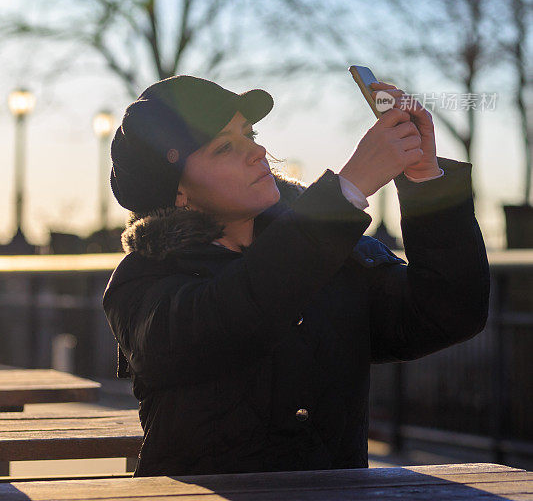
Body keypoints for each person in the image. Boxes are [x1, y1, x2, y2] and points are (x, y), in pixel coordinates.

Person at [103, 74, 489, 477]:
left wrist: (425, 179)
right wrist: (345, 194)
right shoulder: (143, 280)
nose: (258, 151)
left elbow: (448, 314)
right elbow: (233, 316)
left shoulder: (331, 253)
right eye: (223, 147)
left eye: (249, 133)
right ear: (177, 192)